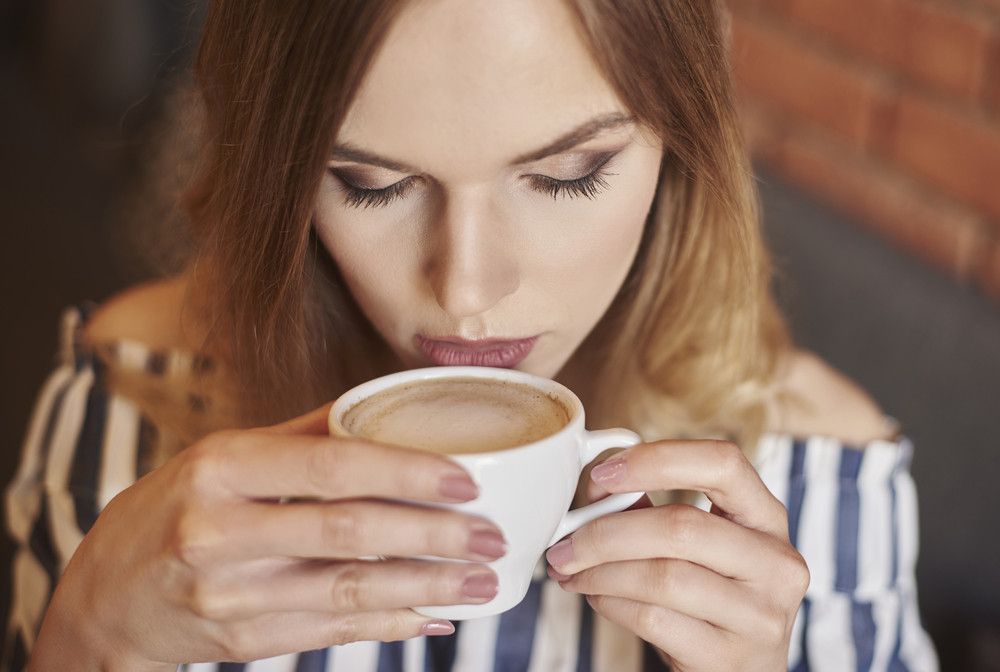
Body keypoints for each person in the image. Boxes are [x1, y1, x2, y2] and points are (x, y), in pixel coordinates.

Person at [1, 0, 939, 670]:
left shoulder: (822, 480)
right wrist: (92, 646)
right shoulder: (128, 401)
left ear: (682, 145)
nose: (466, 291)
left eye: (569, 173)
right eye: (371, 183)